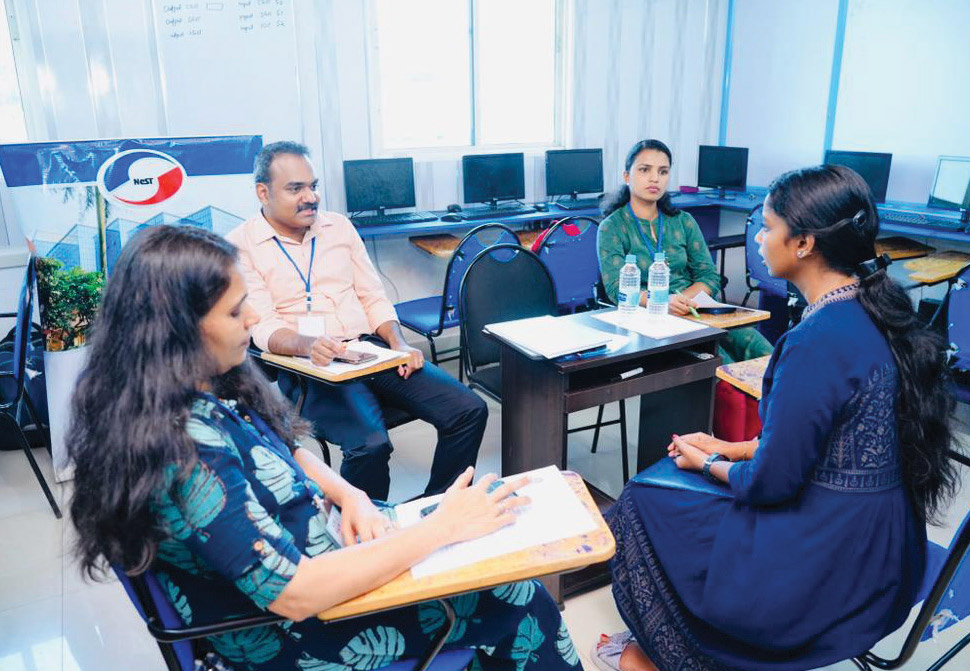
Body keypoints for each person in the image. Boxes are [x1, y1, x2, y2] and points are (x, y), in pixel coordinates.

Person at [68, 225, 581, 671]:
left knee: (485, 552)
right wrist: (440, 528)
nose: (252, 321)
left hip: (331, 550)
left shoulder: (195, 386)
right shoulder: (186, 449)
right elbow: (297, 593)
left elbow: (283, 449)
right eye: (236, 311)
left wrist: (351, 497)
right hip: (302, 631)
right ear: (176, 329)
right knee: (518, 595)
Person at [594, 165, 957, 671]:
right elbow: (823, 445)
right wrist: (726, 447)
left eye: (767, 227)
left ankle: (673, 656)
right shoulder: (878, 311)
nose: (760, 239)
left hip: (827, 565)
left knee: (642, 498)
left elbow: (769, 484)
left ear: (804, 243)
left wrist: (705, 463)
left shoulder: (815, 342)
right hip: (887, 551)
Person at [225, 141, 487, 501]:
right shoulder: (240, 245)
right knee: (372, 445)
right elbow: (264, 326)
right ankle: (369, 532)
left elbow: (373, 296)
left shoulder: (339, 227)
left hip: (368, 350)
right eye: (295, 188)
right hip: (308, 367)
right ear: (263, 192)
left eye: (313, 186)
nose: (311, 197)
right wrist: (309, 344)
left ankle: (440, 507)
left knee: (468, 410)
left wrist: (399, 345)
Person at [597, 139, 773, 363]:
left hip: (694, 308)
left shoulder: (683, 221)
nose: (654, 178)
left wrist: (680, 301)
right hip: (648, 317)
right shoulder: (612, 227)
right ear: (626, 176)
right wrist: (662, 302)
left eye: (663, 171)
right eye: (644, 170)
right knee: (720, 363)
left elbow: (709, 276)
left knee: (760, 349)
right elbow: (615, 289)